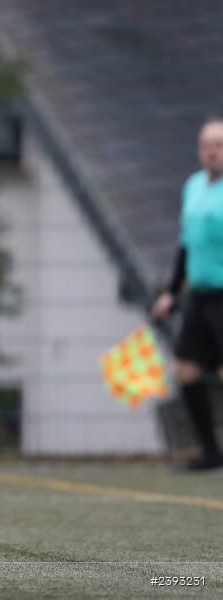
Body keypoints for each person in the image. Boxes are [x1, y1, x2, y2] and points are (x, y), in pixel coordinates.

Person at [152, 117, 223, 471]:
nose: (212, 151)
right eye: (206, 145)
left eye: (219, 144)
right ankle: (211, 453)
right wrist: (171, 292)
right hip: (199, 295)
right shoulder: (193, 187)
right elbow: (186, 245)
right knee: (185, 370)